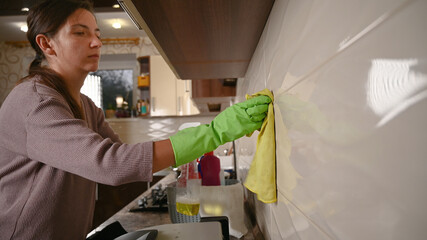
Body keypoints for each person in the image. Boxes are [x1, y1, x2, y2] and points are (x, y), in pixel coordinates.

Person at [0, 0, 271, 239]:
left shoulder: (85, 106)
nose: (97, 42)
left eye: (97, 34)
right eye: (80, 33)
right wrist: (214, 132)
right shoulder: (35, 101)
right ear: (46, 43)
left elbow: (128, 160)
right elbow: (112, 165)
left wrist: (193, 153)